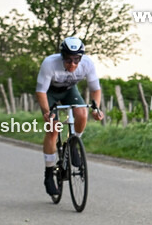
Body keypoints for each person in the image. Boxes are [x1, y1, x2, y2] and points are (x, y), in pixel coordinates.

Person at [35, 37, 104, 195]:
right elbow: (41, 92)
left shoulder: (87, 63)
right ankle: (48, 174)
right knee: (53, 129)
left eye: (76, 60)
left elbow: (95, 89)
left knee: (82, 113)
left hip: (69, 90)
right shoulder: (49, 63)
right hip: (49, 92)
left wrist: (96, 108)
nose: (72, 64)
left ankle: (72, 144)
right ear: (62, 56)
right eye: (68, 60)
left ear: (81, 58)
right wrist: (47, 112)